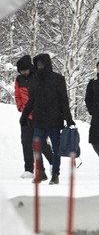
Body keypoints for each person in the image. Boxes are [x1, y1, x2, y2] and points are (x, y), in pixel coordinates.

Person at [20, 53, 76, 185]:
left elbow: (63, 101)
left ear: (47, 63)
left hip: (54, 120)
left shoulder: (58, 79)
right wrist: (24, 116)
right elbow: (31, 101)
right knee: (36, 147)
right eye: (37, 64)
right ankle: (41, 172)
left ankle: (55, 174)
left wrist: (69, 119)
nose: (39, 66)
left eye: (41, 63)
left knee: (56, 148)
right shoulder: (34, 80)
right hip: (38, 120)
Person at [14, 54, 54, 179]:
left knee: (40, 143)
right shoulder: (19, 80)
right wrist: (20, 107)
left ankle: (53, 162)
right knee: (26, 142)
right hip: (26, 116)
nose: (23, 73)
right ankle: (29, 169)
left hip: (39, 116)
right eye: (21, 71)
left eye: (25, 70)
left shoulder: (37, 76)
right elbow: (17, 94)